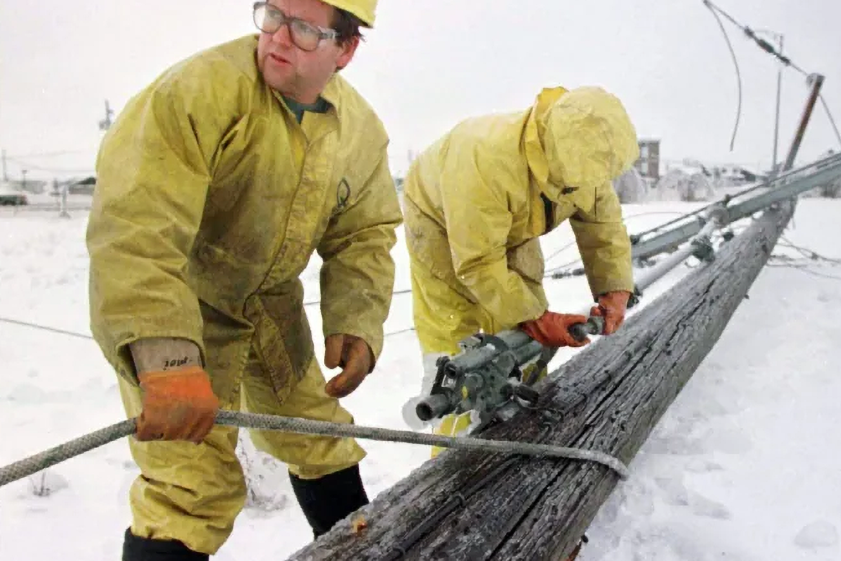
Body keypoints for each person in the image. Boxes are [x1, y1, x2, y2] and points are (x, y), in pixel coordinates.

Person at [85, 1, 400, 559]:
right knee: (190, 487)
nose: (278, 37)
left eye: (305, 29)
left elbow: (364, 235)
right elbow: (138, 227)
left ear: (346, 50)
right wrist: (166, 359)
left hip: (271, 306)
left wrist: (356, 320)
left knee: (319, 435)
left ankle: (359, 552)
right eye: (273, 13)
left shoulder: (360, 132)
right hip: (181, 305)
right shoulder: (197, 93)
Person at [400, 85, 639, 448]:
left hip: (512, 225)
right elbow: (479, 262)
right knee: (464, 363)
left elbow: (601, 225)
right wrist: (539, 319)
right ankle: (450, 466)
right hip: (440, 225)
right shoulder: (484, 158)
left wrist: (614, 288)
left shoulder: (584, 158)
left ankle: (520, 435)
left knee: (523, 343)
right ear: (555, 154)